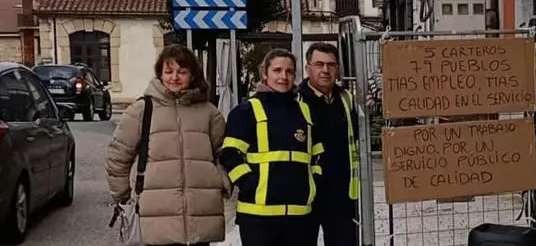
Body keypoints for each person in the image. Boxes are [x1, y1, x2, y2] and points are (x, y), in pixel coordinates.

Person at [104, 44, 228, 246]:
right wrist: (123, 196)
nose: (175, 77)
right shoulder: (142, 110)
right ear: (160, 74)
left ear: (193, 75)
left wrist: (221, 182)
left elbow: (224, 153)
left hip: (200, 213)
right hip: (156, 215)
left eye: (182, 71)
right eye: (168, 71)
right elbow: (118, 156)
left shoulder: (209, 112)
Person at [220, 49, 322, 244]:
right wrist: (250, 185)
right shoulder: (246, 111)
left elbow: (318, 154)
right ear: (265, 74)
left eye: (289, 71)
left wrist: (313, 184)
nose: (284, 76)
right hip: (258, 217)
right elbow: (230, 154)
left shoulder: (305, 111)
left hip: (300, 216)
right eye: (277, 70)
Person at [297, 42, 361, 246]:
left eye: (331, 65)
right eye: (319, 64)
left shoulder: (346, 99)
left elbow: (359, 135)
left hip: (341, 193)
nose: (325, 70)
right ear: (308, 68)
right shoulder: (294, 100)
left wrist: (366, 112)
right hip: (305, 192)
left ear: (338, 69)